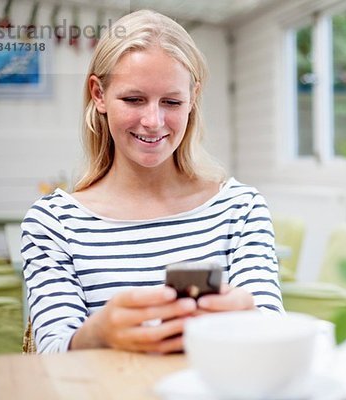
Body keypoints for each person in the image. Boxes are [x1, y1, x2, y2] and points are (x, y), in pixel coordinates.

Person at [21, 9, 284, 354]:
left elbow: (274, 333)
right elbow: (51, 355)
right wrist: (98, 332)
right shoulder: (52, 224)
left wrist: (250, 318)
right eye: (133, 99)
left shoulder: (241, 209)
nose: (153, 120)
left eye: (172, 102)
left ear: (193, 100)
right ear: (98, 94)